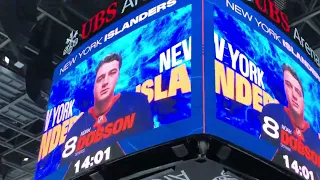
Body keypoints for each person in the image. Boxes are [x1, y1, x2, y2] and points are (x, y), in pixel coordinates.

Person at [61, 53, 154, 165]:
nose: (105, 82)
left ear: (118, 76)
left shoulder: (136, 101)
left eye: (112, 73)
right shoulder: (77, 129)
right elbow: (65, 171)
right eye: (100, 78)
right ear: (93, 84)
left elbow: (146, 147)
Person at [259, 64, 319, 175]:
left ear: (303, 101)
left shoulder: (316, 139)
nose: (294, 95)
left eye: (298, 92)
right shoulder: (273, 112)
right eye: (289, 86)